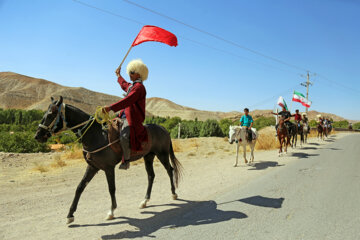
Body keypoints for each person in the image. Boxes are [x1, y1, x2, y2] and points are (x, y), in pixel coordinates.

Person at [103, 59, 148, 170]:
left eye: (132, 72)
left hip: (133, 117)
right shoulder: (133, 86)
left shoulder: (139, 88)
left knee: (123, 136)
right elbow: (124, 85)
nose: (130, 74)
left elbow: (128, 100)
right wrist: (119, 75)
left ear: (139, 73)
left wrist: (110, 108)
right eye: (130, 72)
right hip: (124, 114)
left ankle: (126, 160)